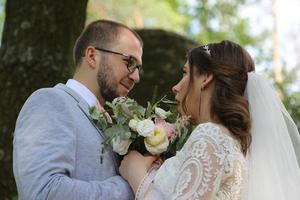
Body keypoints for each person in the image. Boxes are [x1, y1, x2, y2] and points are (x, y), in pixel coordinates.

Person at [119, 40, 300, 199]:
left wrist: (137, 175)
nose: (175, 87)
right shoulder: (232, 144)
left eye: (185, 73)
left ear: (206, 78)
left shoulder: (211, 135)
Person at [13, 19, 143, 200]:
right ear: (92, 56)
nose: (136, 77)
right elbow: (44, 192)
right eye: (129, 61)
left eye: (138, 67)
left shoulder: (114, 124)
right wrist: (134, 184)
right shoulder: (50, 102)